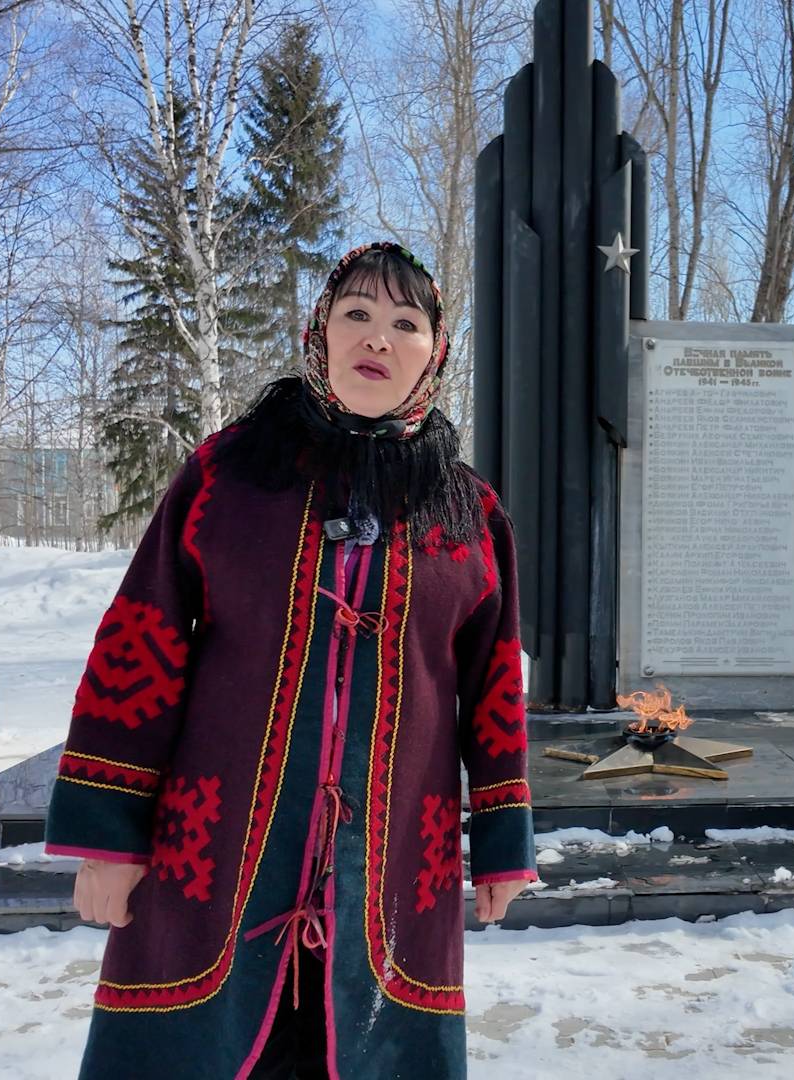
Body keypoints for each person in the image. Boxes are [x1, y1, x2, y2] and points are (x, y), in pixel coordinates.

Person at [43, 241, 536, 1079]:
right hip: (215, 849)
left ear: (434, 353)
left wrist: (501, 839)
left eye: (405, 324)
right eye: (358, 315)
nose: (378, 339)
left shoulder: (466, 510)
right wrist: (106, 840)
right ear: (321, 332)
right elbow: (140, 642)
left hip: (389, 869)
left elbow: (494, 688)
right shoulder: (229, 474)